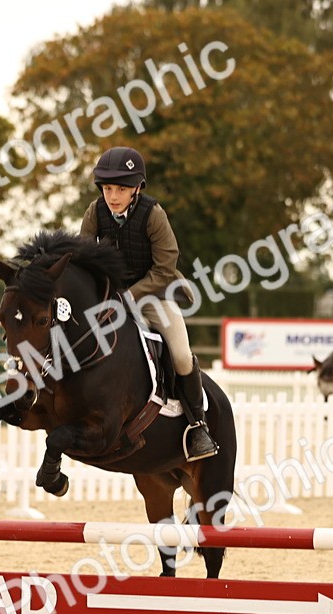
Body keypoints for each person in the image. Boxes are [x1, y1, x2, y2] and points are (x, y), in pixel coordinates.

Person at [79, 146, 217, 461]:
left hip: (155, 293)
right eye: (108, 188)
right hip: (111, 296)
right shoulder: (95, 212)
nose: (113, 196)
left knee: (181, 355)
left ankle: (198, 426)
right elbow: (83, 258)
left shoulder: (153, 215)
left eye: (122, 189)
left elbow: (165, 268)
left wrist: (129, 297)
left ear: (137, 188)